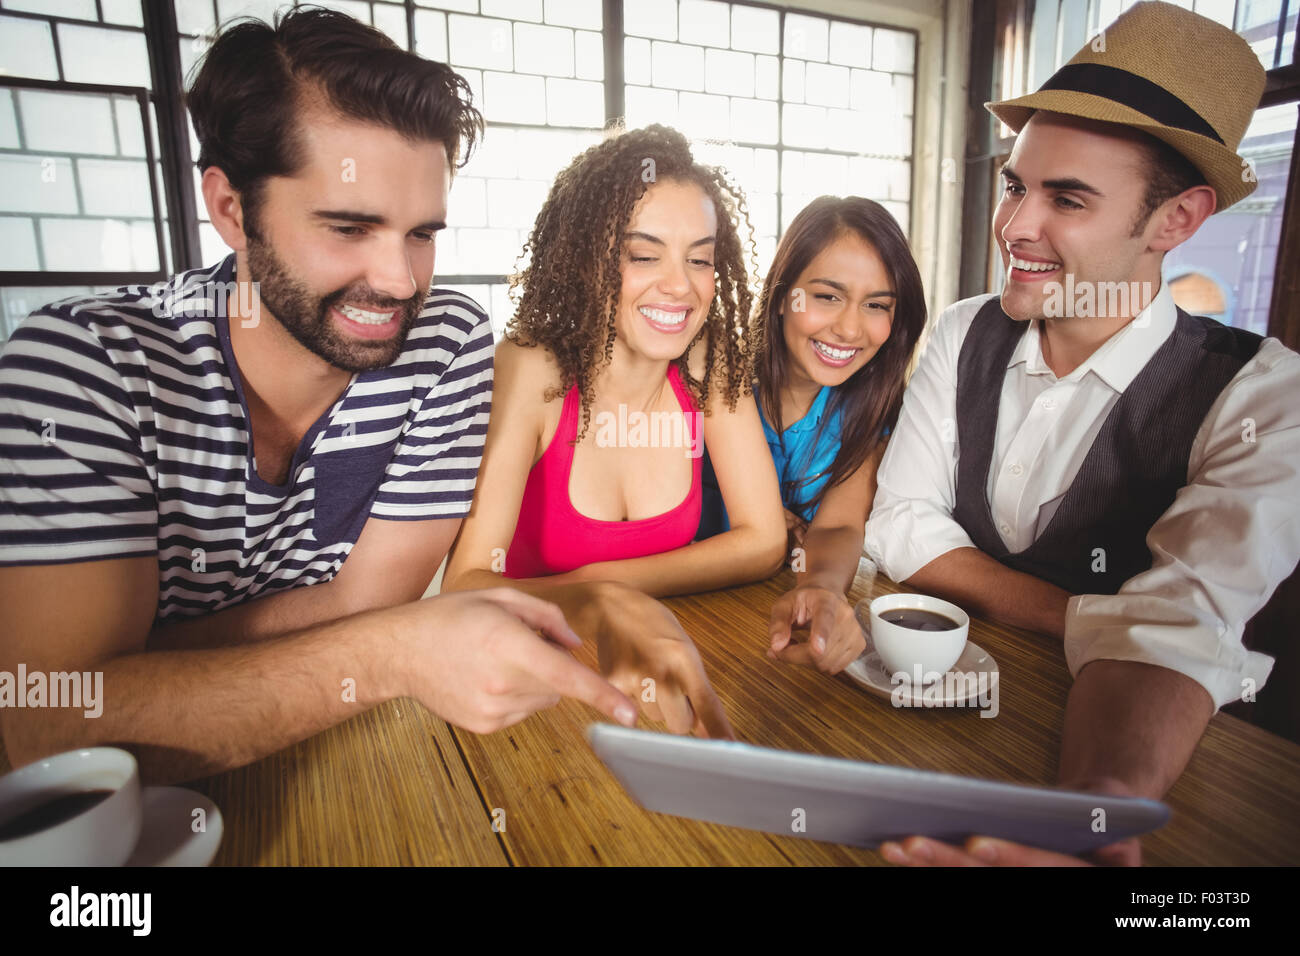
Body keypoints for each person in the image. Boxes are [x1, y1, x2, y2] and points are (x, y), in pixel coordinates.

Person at [0, 10, 727, 785]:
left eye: (421, 233)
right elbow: (52, 731)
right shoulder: (82, 365)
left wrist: (148, 662)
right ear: (230, 209)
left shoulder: (443, 346)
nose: (400, 281)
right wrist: (394, 649)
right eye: (350, 228)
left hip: (351, 760)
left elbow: (373, 601)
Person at [863, 1, 1300, 865]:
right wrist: (1095, 618)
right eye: (1018, 184)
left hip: (1168, 775)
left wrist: (1097, 809)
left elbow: (1181, 621)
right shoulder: (963, 331)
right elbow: (901, 525)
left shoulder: (1263, 394)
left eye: (1068, 198)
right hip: (938, 720)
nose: (1016, 226)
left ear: (1175, 221)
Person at [442, 126, 786, 727]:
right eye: (644, 255)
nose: (679, 286)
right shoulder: (530, 367)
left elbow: (763, 540)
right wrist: (599, 601)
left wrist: (607, 588)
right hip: (523, 694)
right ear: (587, 260)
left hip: (655, 671)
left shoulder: (710, 364)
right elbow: (465, 587)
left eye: (700, 259)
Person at [697, 197, 926, 675]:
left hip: (759, 621)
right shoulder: (713, 380)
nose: (848, 328)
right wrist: (755, 515)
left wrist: (818, 587)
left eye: (876, 305)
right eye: (826, 296)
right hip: (683, 605)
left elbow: (840, 526)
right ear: (783, 295)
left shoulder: (867, 410)